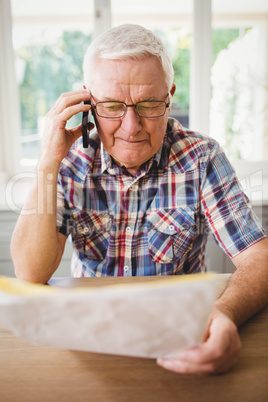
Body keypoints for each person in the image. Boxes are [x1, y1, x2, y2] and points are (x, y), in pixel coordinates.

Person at [11, 24, 268, 375]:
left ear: (170, 97)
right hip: (91, 342)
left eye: (148, 104)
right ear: (89, 103)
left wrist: (223, 312)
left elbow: (260, 259)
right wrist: (47, 161)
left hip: (180, 336)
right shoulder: (67, 161)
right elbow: (29, 274)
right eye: (113, 106)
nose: (131, 127)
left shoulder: (201, 157)